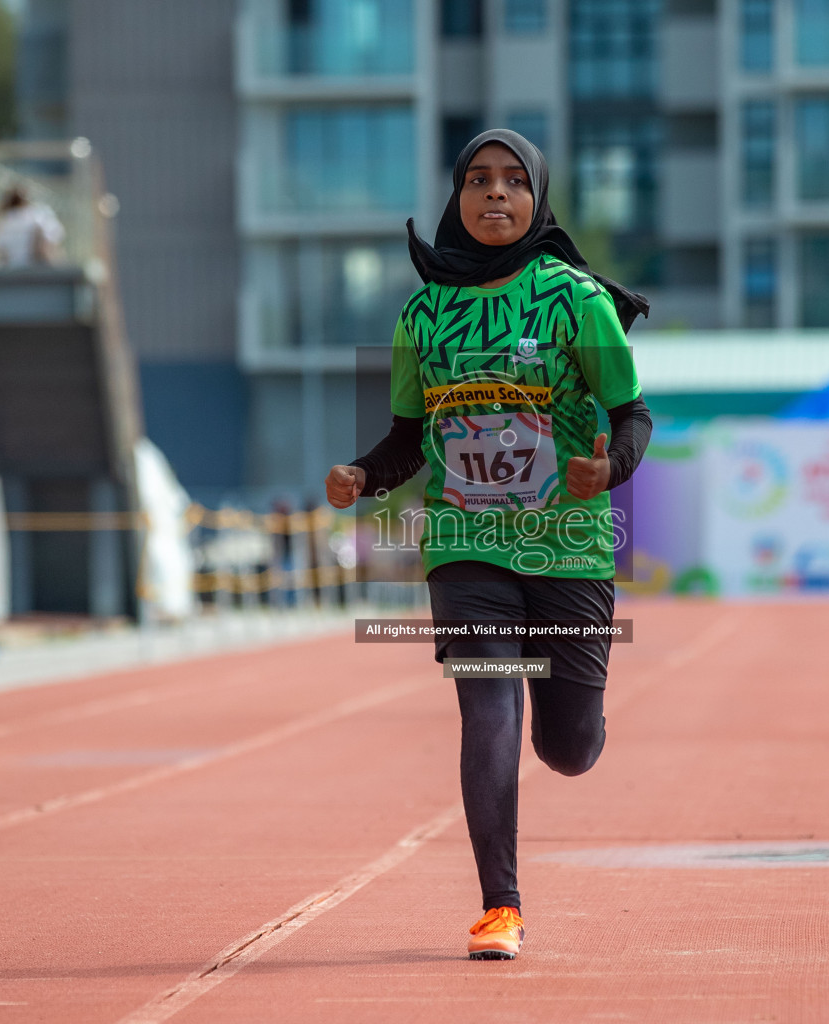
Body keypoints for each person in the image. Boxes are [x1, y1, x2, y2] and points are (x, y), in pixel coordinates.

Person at [324, 128, 652, 961]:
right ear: (457, 197)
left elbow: (633, 415)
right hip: (466, 540)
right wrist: (365, 476)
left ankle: (580, 724)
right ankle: (498, 906)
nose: (494, 194)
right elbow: (407, 435)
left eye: (512, 181)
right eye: (478, 180)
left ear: (537, 197)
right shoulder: (423, 311)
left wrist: (606, 468)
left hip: (568, 543)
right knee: (488, 703)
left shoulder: (574, 299)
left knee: (568, 749)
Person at [0, 186, 65, 268]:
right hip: (34, 266)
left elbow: (1, 251)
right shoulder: (35, 215)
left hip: (12, 268)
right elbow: (52, 237)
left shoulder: (4, 221)